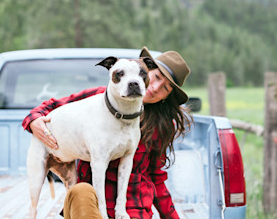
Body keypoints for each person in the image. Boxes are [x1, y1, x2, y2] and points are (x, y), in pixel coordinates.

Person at [22, 46, 192, 219]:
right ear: (148, 72)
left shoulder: (162, 126)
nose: (155, 88)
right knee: (81, 191)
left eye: (166, 88)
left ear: (167, 97)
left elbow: (157, 178)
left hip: (133, 209)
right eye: (156, 77)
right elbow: (50, 107)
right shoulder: (98, 98)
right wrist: (34, 121)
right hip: (91, 206)